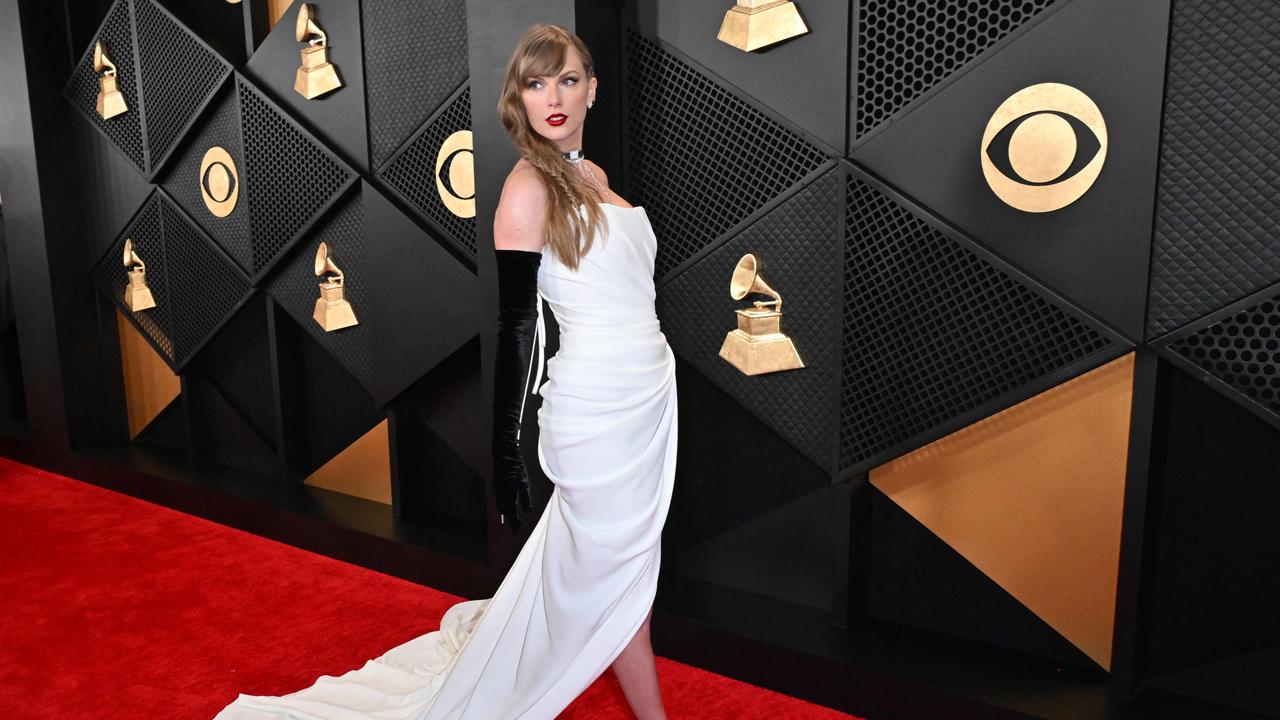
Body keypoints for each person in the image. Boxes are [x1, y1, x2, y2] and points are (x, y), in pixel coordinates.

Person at [212, 23, 678, 720]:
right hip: (595, 410)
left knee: (631, 569)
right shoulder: (527, 191)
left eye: (568, 79)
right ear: (518, 97)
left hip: (647, 397)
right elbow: (519, 326)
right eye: (536, 82)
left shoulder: (595, 179)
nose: (554, 96)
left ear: (592, 90)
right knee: (615, 576)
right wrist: (504, 452)